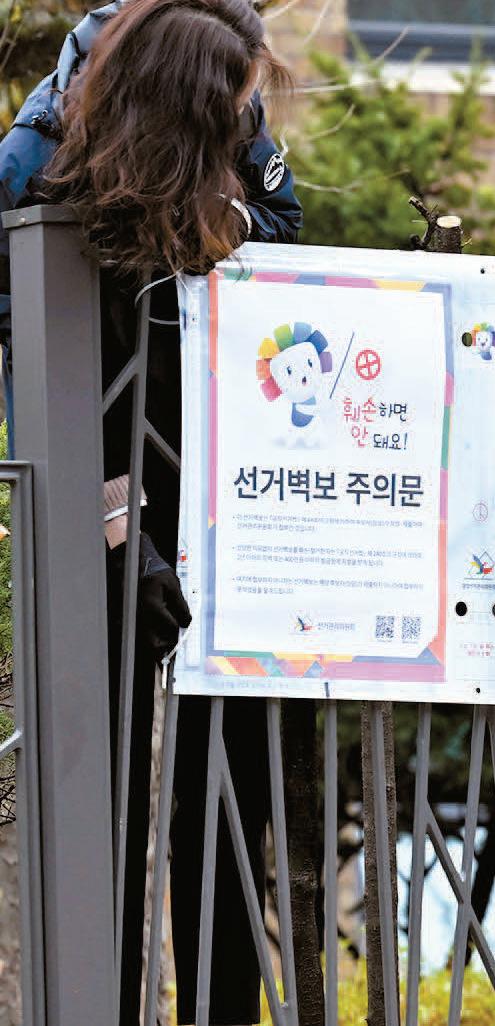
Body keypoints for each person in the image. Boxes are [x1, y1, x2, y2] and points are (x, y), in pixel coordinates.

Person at [1, 3, 298, 1022]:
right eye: (232, 111)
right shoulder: (36, 157)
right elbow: (32, 364)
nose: (247, 121)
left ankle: (220, 1005)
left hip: (220, 473)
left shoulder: (233, 112)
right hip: (95, 482)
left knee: (229, 777)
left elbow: (286, 233)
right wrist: (120, 529)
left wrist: (224, 219)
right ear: (178, 99)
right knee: (104, 783)